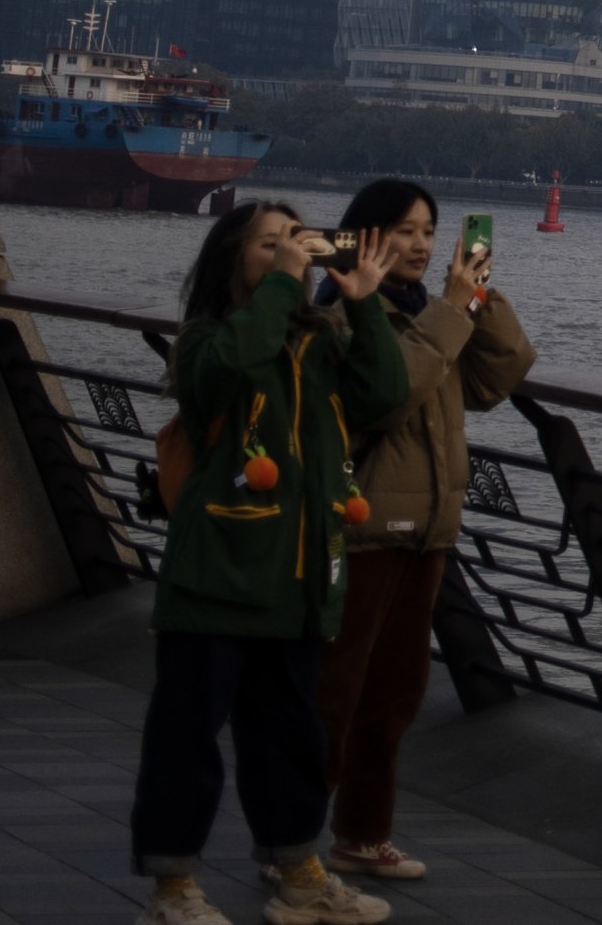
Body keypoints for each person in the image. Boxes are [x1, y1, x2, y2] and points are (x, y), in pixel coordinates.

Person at [134, 197, 411, 925]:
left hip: (296, 579)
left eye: (297, 240)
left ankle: (299, 873)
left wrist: (366, 305)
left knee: (291, 736)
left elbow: (385, 394)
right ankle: (171, 890)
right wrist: (290, 283)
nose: (291, 252)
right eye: (270, 245)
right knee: (187, 738)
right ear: (233, 261)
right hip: (218, 575)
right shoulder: (206, 341)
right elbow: (235, 364)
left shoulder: (320, 344)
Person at [309, 181, 536, 885]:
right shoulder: (344, 314)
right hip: (364, 527)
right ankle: (288, 842)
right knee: (335, 692)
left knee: (396, 690)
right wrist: (447, 311)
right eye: (404, 230)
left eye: (429, 230)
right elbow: (388, 391)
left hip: (426, 529)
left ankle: (362, 835)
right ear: (364, 238)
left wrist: (476, 302)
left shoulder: (427, 314)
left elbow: (498, 378)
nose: (420, 244)